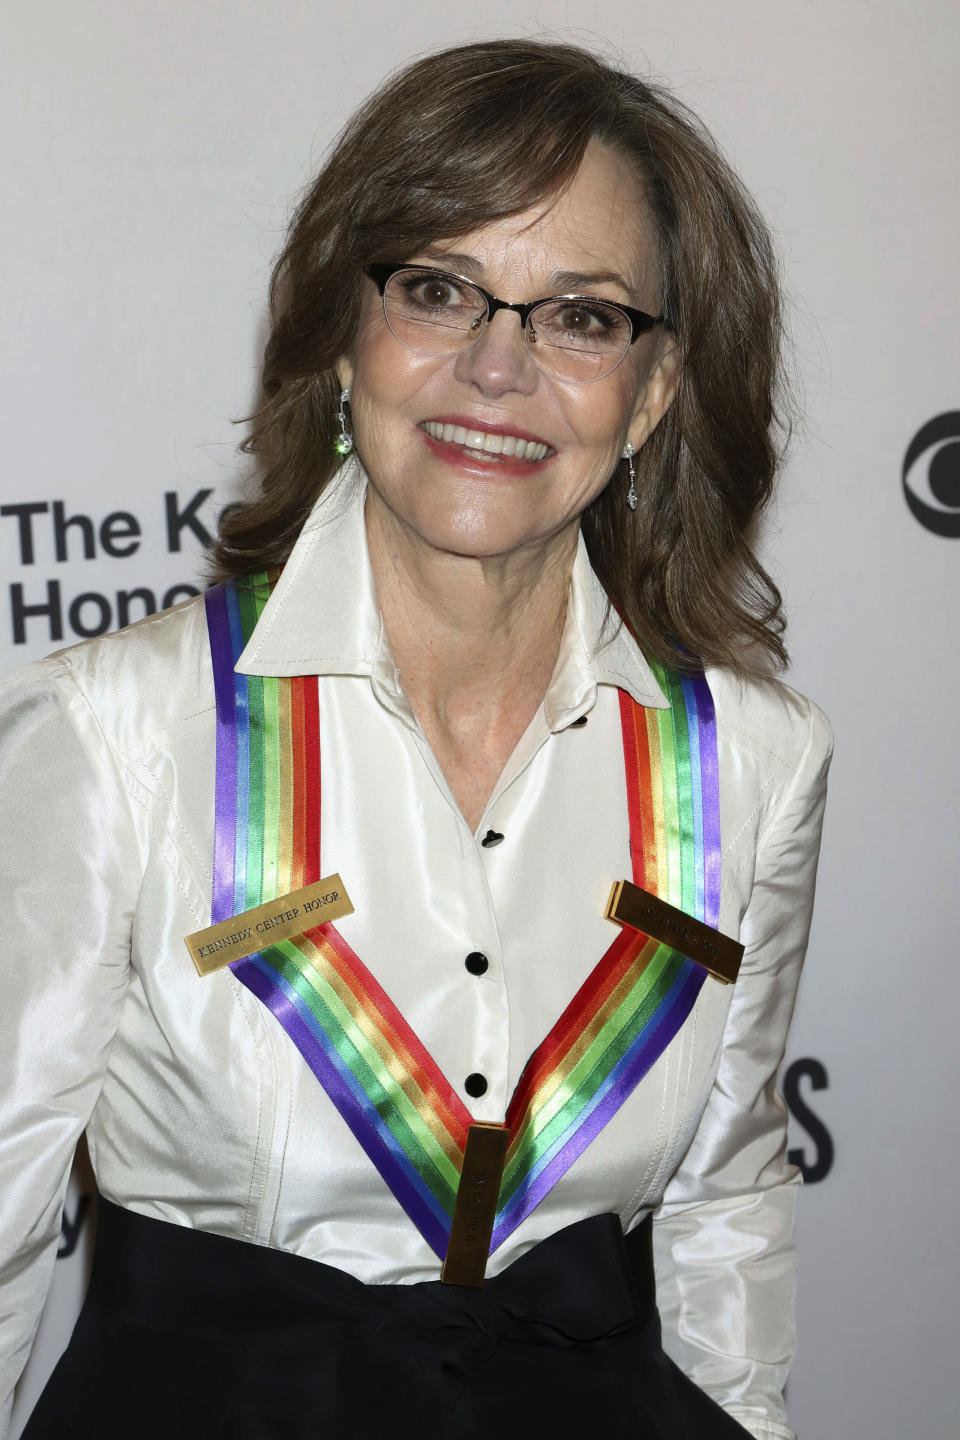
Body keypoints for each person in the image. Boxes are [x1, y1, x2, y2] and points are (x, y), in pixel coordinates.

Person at [0, 38, 832, 1440]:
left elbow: (726, 1203)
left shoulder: (751, 757)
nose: (497, 367)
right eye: (440, 289)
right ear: (345, 335)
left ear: (656, 390)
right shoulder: (118, 726)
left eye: (582, 316)